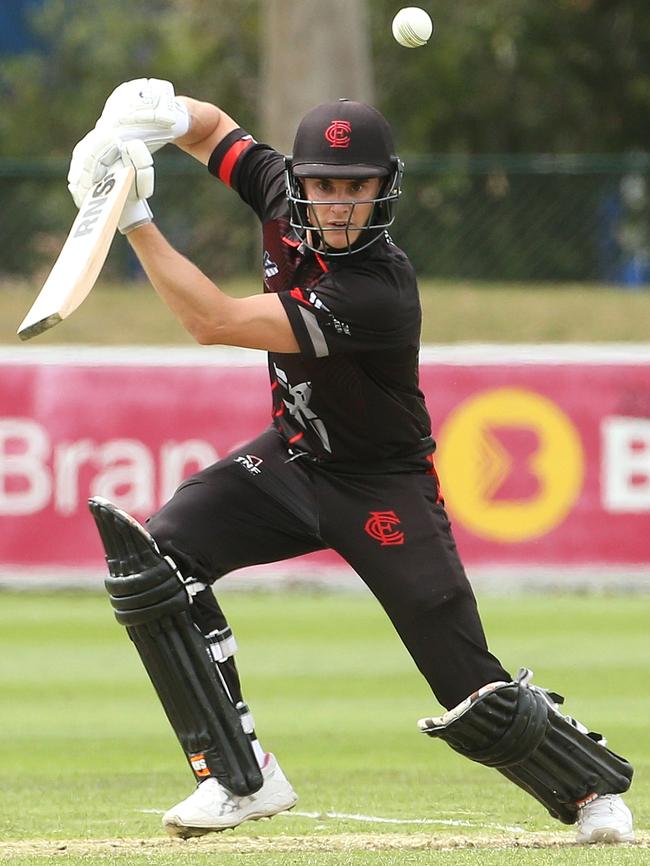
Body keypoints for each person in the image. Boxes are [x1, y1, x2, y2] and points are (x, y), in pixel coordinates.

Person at [68, 79, 635, 844]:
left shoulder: (379, 289)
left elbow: (215, 321)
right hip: (295, 459)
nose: (337, 204)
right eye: (323, 185)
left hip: (382, 487)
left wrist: (130, 216)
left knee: (466, 682)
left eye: (356, 188)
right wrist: (158, 116)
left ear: (382, 190)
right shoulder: (279, 189)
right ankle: (241, 777)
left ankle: (591, 790)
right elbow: (215, 132)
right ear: (300, 182)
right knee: (161, 557)